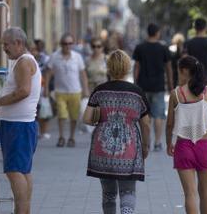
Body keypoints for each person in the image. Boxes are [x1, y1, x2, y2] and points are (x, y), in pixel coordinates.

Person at [83, 50, 151, 214]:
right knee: (128, 191)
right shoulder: (136, 93)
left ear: (109, 68)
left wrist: (101, 119)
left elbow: (86, 118)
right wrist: (146, 146)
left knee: (108, 194)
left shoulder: (99, 91)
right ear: (127, 67)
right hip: (129, 148)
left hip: (102, 148)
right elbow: (146, 125)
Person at [0, 27, 41, 214]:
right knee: (22, 170)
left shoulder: (24, 62)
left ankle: (22, 211)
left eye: (6, 44)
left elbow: (24, 91)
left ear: (18, 43)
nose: (3, 48)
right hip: (19, 124)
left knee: (14, 170)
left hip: (19, 126)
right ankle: (22, 210)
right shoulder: (22, 61)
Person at [166, 56, 207, 214]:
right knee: (205, 193)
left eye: (179, 72)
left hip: (183, 146)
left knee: (190, 194)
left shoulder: (176, 94)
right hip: (204, 146)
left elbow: (169, 124)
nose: (178, 75)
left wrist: (169, 143)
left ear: (184, 71)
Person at [133, 23, 173, 151]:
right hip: (158, 86)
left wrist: (135, 83)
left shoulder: (140, 48)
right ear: (157, 33)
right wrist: (171, 85)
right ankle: (157, 142)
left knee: (145, 115)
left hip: (143, 86)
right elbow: (168, 68)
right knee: (159, 115)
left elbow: (137, 66)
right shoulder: (163, 48)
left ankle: (146, 141)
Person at [44, 33, 89, 147]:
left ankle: (72, 137)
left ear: (73, 44)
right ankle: (61, 137)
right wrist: (46, 88)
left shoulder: (77, 57)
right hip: (60, 91)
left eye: (70, 43)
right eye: (65, 44)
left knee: (74, 116)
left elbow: (83, 74)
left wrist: (86, 89)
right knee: (62, 115)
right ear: (61, 44)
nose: (67, 46)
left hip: (75, 91)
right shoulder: (54, 56)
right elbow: (48, 72)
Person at [183, 18, 207, 89]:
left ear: (194, 28)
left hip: (191, 83)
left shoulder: (187, 44)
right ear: (205, 28)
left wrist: (183, 82)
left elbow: (184, 64)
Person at [29, 39, 52, 140]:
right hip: (30, 87)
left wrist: (46, 88)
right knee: (34, 110)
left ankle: (43, 131)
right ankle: (35, 131)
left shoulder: (44, 59)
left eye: (34, 49)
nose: (33, 52)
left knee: (43, 110)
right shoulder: (27, 59)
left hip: (41, 87)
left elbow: (47, 73)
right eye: (31, 49)